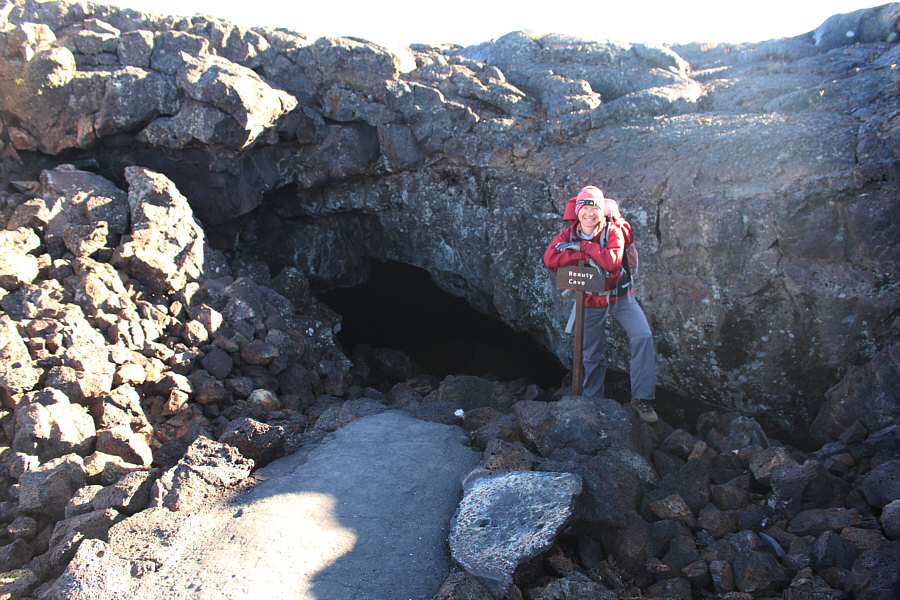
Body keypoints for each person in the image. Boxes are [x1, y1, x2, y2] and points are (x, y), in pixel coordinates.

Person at [543, 185, 658, 423]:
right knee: (591, 354)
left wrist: (582, 247)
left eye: (594, 207)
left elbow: (613, 262)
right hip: (591, 300)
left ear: (601, 211)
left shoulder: (613, 231)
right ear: (577, 211)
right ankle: (593, 402)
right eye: (584, 207)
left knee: (643, 336)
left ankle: (642, 398)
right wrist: (584, 254)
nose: (589, 213)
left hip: (620, 297)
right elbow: (550, 258)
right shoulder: (568, 234)